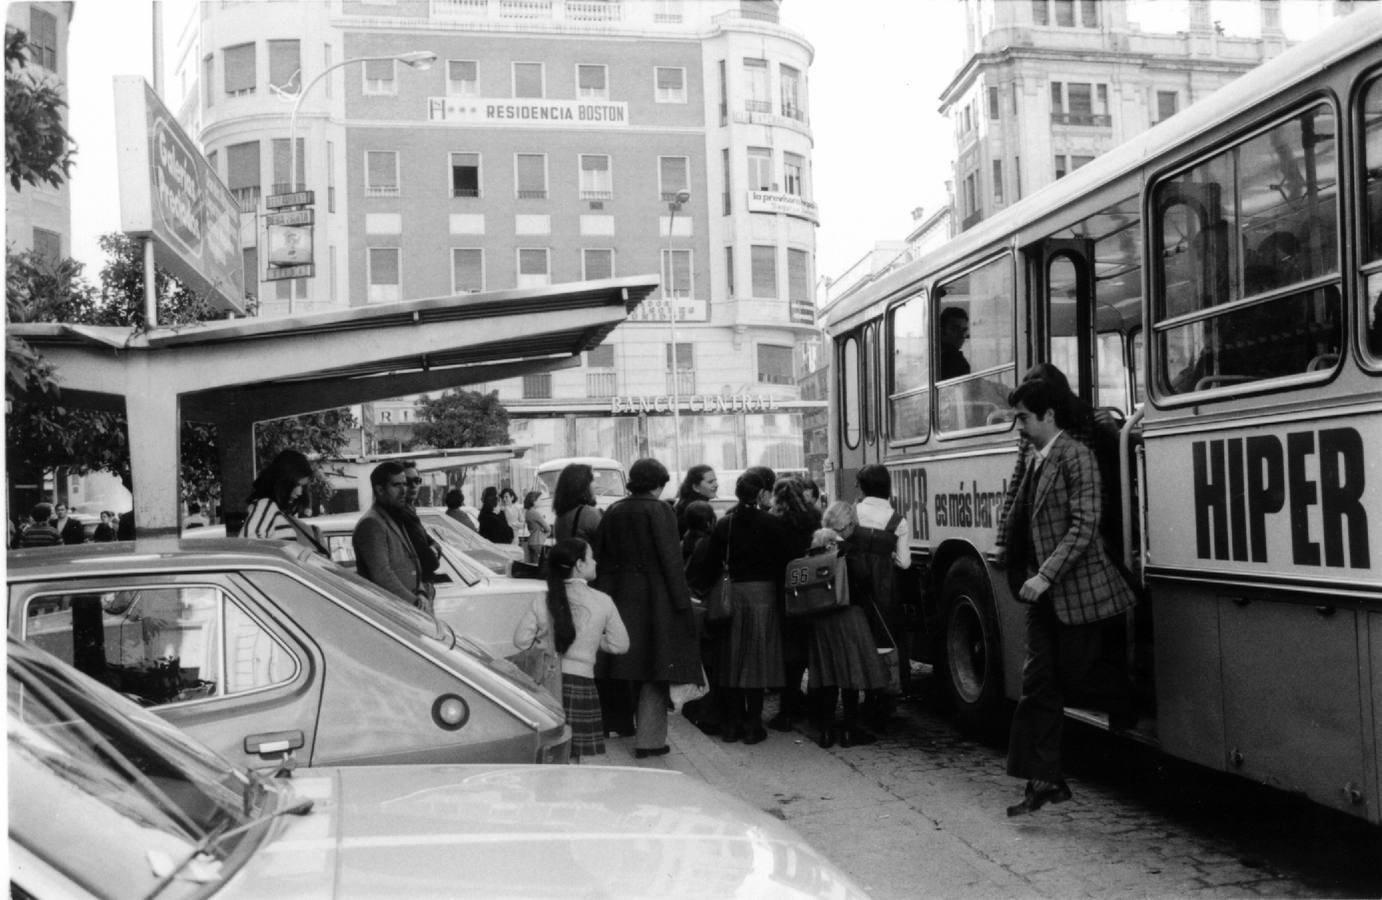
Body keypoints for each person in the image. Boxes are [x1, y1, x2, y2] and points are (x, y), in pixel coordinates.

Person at [1002, 378, 1138, 817]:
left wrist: (1044, 575)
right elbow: (1019, 509)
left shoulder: (1076, 457)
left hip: (1077, 592)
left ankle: (1127, 700)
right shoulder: (1036, 459)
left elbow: (1085, 527)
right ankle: (1043, 779)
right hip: (1044, 596)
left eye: (1023, 418)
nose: (1018, 427)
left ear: (1049, 416)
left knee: (1075, 679)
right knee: (1037, 684)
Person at [591, 458, 703, 758]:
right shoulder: (660, 510)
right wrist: (682, 604)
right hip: (653, 599)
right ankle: (650, 740)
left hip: (614, 595)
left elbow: (598, 555)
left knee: (618, 663)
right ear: (657, 483)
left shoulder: (613, 510)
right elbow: (671, 561)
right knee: (655, 666)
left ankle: (618, 724)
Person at [996, 362, 1123, 593]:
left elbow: (1095, 491)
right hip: (1044, 540)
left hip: (1077, 535)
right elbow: (1016, 489)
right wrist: (1003, 539)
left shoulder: (1087, 427)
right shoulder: (1030, 436)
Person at [694, 468, 793, 745]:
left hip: (734, 597)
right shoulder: (772, 524)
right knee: (758, 662)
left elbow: (711, 564)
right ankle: (753, 725)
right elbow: (783, 562)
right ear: (762, 494)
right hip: (764, 597)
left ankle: (733, 724)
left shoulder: (726, 523)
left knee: (733, 661)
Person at [514, 537, 630, 762]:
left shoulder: (544, 599)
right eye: (591, 557)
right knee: (577, 757)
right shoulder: (603, 601)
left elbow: (520, 641)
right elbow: (620, 645)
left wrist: (545, 642)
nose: (595, 562)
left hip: (547, 684)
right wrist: (594, 640)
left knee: (550, 751)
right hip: (582, 685)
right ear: (579, 564)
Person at [809, 503, 890, 748]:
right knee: (851, 673)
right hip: (848, 616)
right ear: (846, 525)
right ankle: (849, 731)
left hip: (821, 619)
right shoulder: (849, 549)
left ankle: (825, 731)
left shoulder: (815, 548)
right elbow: (864, 580)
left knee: (827, 675)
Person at [851, 463, 912, 712]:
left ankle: (859, 692)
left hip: (855, 585)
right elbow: (905, 563)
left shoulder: (852, 513)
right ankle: (884, 695)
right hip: (885, 588)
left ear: (863, 487)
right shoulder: (898, 521)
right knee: (885, 638)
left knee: (858, 638)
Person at [769, 476, 821, 733]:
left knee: (790, 655)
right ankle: (816, 706)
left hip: (783, 593)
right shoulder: (813, 521)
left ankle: (787, 710)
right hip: (811, 592)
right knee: (812, 650)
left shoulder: (774, 525)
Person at [352, 462, 436, 612]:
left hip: (410, 607)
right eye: (397, 485)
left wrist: (421, 592)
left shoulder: (394, 516)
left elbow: (413, 562)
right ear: (380, 490)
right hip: (394, 613)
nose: (404, 490)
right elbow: (382, 574)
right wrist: (415, 603)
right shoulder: (372, 523)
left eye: (405, 484)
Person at [241, 449, 314, 540]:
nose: (299, 492)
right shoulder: (265, 505)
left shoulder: (272, 509)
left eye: (302, 486)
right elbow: (250, 543)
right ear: (283, 481)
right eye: (296, 485)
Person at [553, 463, 602, 543]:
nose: (596, 485)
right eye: (592, 480)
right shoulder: (589, 514)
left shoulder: (560, 516)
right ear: (582, 485)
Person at [672, 464, 719, 535]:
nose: (716, 485)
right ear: (696, 487)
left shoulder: (685, 505)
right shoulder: (696, 512)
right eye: (710, 482)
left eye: (715, 481)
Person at [938, 306, 972, 380]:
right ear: (942, 332)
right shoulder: (953, 359)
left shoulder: (938, 356)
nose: (962, 335)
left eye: (964, 330)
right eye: (955, 329)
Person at [522, 490, 550, 565]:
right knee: (541, 565)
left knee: (533, 565)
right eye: (539, 500)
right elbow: (548, 528)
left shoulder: (527, 512)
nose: (541, 501)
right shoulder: (535, 513)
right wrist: (544, 535)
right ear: (534, 501)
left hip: (531, 542)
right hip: (538, 542)